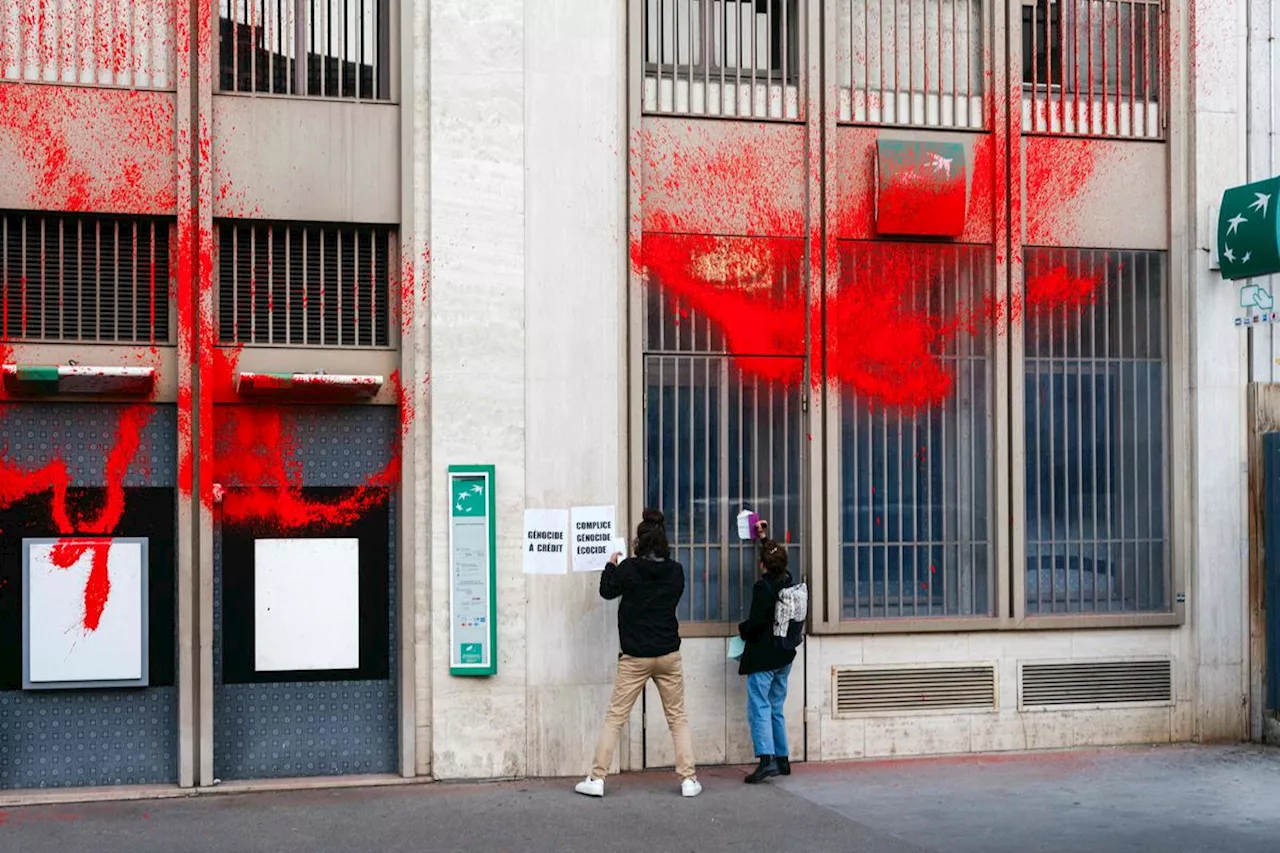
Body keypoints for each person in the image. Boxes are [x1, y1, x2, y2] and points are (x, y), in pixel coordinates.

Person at [575, 509, 701, 799]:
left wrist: (611, 565)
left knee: (615, 717)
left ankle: (597, 778)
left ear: (638, 541)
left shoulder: (629, 569)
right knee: (677, 718)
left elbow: (607, 591)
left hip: (634, 656)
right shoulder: (676, 571)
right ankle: (689, 780)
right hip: (668, 654)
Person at [737, 519, 797, 783]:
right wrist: (763, 538)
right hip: (784, 654)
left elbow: (755, 623)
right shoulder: (788, 580)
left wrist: (742, 630)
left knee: (759, 705)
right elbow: (774, 557)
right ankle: (782, 759)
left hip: (764, 658)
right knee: (776, 705)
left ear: (763, 565)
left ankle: (766, 760)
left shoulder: (763, 588)